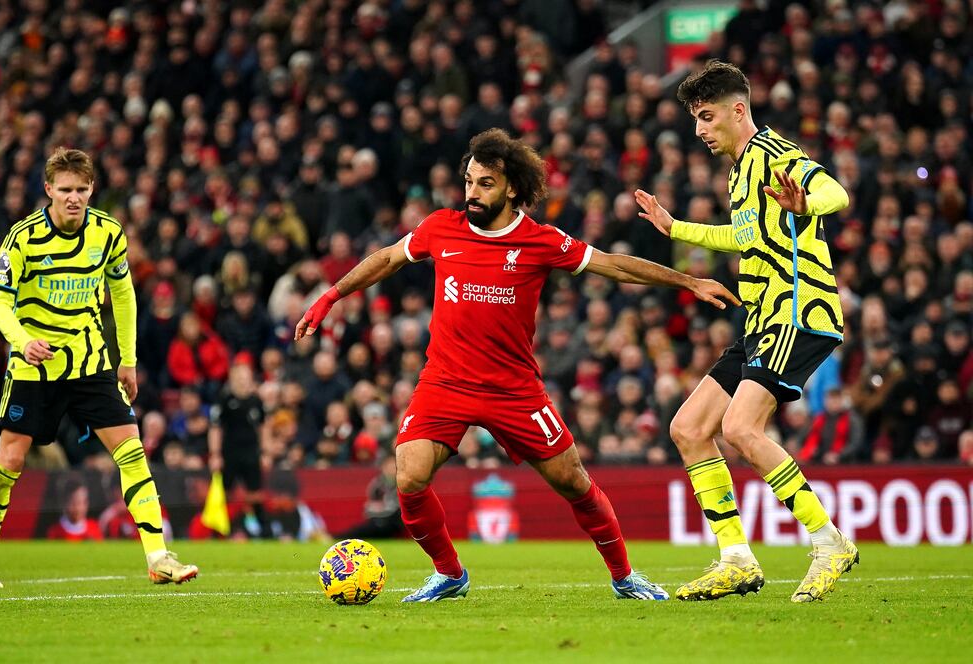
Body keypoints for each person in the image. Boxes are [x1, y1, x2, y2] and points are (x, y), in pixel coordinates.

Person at [297, 128, 738, 602]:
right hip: (445, 381)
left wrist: (689, 282)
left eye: (484, 183)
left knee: (574, 482)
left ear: (510, 187)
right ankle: (449, 573)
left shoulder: (539, 240)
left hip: (514, 390)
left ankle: (624, 576)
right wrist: (331, 295)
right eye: (469, 181)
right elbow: (386, 259)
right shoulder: (441, 227)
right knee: (409, 475)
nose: (472, 192)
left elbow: (614, 264)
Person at [634, 60, 858, 603]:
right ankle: (736, 559)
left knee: (739, 430)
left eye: (707, 117)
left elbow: (834, 192)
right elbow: (744, 236)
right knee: (688, 428)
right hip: (762, 320)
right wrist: (673, 227)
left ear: (739, 110)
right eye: (695, 120)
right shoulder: (740, 170)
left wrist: (808, 203)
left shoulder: (774, 155)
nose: (699, 130)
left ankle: (830, 543)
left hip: (798, 311)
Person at [0, 147, 197, 589]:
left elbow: (125, 294)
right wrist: (23, 341)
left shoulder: (108, 234)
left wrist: (126, 359)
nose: (74, 197)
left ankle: (158, 557)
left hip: (92, 363)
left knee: (131, 452)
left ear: (92, 189)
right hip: (36, 368)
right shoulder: (22, 238)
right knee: (8, 463)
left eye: (82, 189)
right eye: (65, 190)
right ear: (49, 189)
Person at [209, 361, 271, 538]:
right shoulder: (224, 400)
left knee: (255, 492)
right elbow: (215, 428)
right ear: (232, 379)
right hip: (229, 453)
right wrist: (215, 454)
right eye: (239, 378)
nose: (243, 381)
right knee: (225, 492)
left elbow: (264, 427)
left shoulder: (256, 401)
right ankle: (220, 530)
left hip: (251, 452)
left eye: (246, 377)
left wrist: (266, 452)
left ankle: (264, 530)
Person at [333, 455, 404, 540]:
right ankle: (339, 537)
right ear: (383, 468)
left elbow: (397, 507)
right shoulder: (378, 483)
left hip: (393, 521)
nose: (391, 470)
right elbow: (370, 507)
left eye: (394, 466)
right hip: (377, 519)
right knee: (367, 527)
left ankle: (338, 538)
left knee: (368, 529)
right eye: (389, 466)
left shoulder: (402, 484)